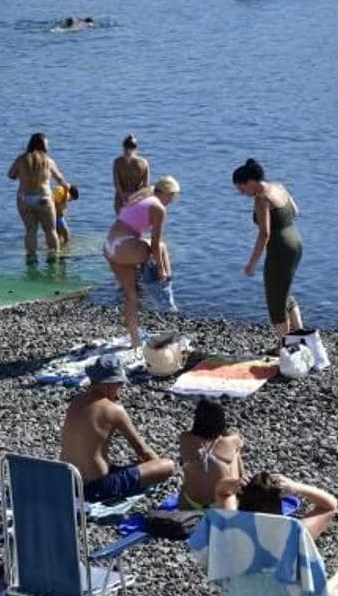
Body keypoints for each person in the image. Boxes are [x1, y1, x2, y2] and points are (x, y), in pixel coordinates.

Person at [59, 354, 174, 503]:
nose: (121, 388)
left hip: (68, 481)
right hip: (96, 489)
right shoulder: (113, 409)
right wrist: (156, 468)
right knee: (168, 465)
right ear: (108, 385)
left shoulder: (76, 401)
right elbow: (142, 451)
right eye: (119, 384)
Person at [104, 176, 180, 349]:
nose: (173, 201)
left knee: (131, 296)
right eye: (173, 196)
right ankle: (166, 293)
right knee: (161, 246)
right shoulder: (158, 208)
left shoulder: (140, 198)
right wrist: (161, 269)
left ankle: (135, 341)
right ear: (167, 193)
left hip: (110, 247)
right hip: (125, 247)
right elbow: (154, 243)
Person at [233, 158, 305, 338]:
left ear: (250, 182)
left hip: (280, 248)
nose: (242, 193)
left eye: (241, 188)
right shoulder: (279, 187)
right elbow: (295, 211)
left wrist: (252, 264)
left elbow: (264, 234)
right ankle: (300, 336)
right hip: (295, 242)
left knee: (275, 298)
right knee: (284, 290)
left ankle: (285, 346)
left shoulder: (261, 199)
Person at [215, 471, 338, 540]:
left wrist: (236, 482)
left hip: (240, 586)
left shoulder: (232, 524)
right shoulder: (296, 533)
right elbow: (329, 506)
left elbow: (222, 492)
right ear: (279, 507)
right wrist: (297, 487)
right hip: (283, 587)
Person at [7, 133, 70, 258]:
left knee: (30, 232)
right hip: (43, 199)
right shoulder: (48, 161)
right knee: (50, 231)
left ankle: (31, 260)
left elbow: (11, 175)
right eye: (47, 144)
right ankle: (54, 262)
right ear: (42, 145)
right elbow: (60, 179)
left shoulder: (21, 159)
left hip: (24, 199)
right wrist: (68, 188)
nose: (48, 146)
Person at [178, 397, 244, 510]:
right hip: (222, 504)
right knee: (235, 454)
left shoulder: (185, 438)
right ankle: (240, 484)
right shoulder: (233, 440)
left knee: (191, 465)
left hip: (190, 503)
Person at [112, 134, 150, 214]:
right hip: (137, 198)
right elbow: (146, 186)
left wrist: (123, 197)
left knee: (121, 224)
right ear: (136, 148)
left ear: (123, 147)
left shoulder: (118, 162)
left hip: (121, 198)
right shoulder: (144, 163)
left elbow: (117, 184)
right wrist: (134, 198)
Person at [53, 183, 79, 247]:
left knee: (58, 234)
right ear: (72, 195)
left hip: (52, 216)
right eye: (72, 199)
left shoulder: (59, 190)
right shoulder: (66, 195)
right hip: (58, 217)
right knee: (67, 235)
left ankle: (56, 246)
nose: (70, 201)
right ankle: (66, 249)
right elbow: (61, 207)